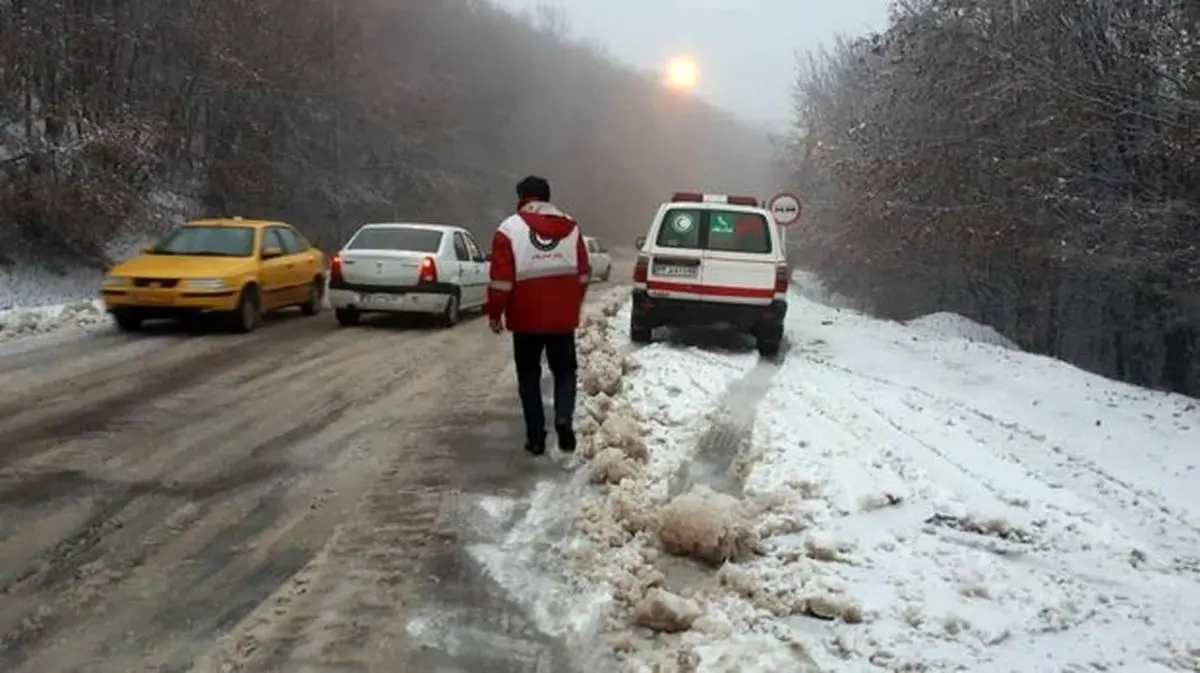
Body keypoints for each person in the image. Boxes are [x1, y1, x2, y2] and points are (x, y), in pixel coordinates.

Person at [486, 176, 590, 455]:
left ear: (522, 197)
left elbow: (501, 282)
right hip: (561, 320)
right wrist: (572, 305)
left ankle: (536, 438)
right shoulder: (571, 227)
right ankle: (564, 418)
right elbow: (582, 274)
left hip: (525, 320)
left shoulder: (508, 229)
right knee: (565, 372)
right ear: (547, 197)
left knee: (529, 377)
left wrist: (495, 313)